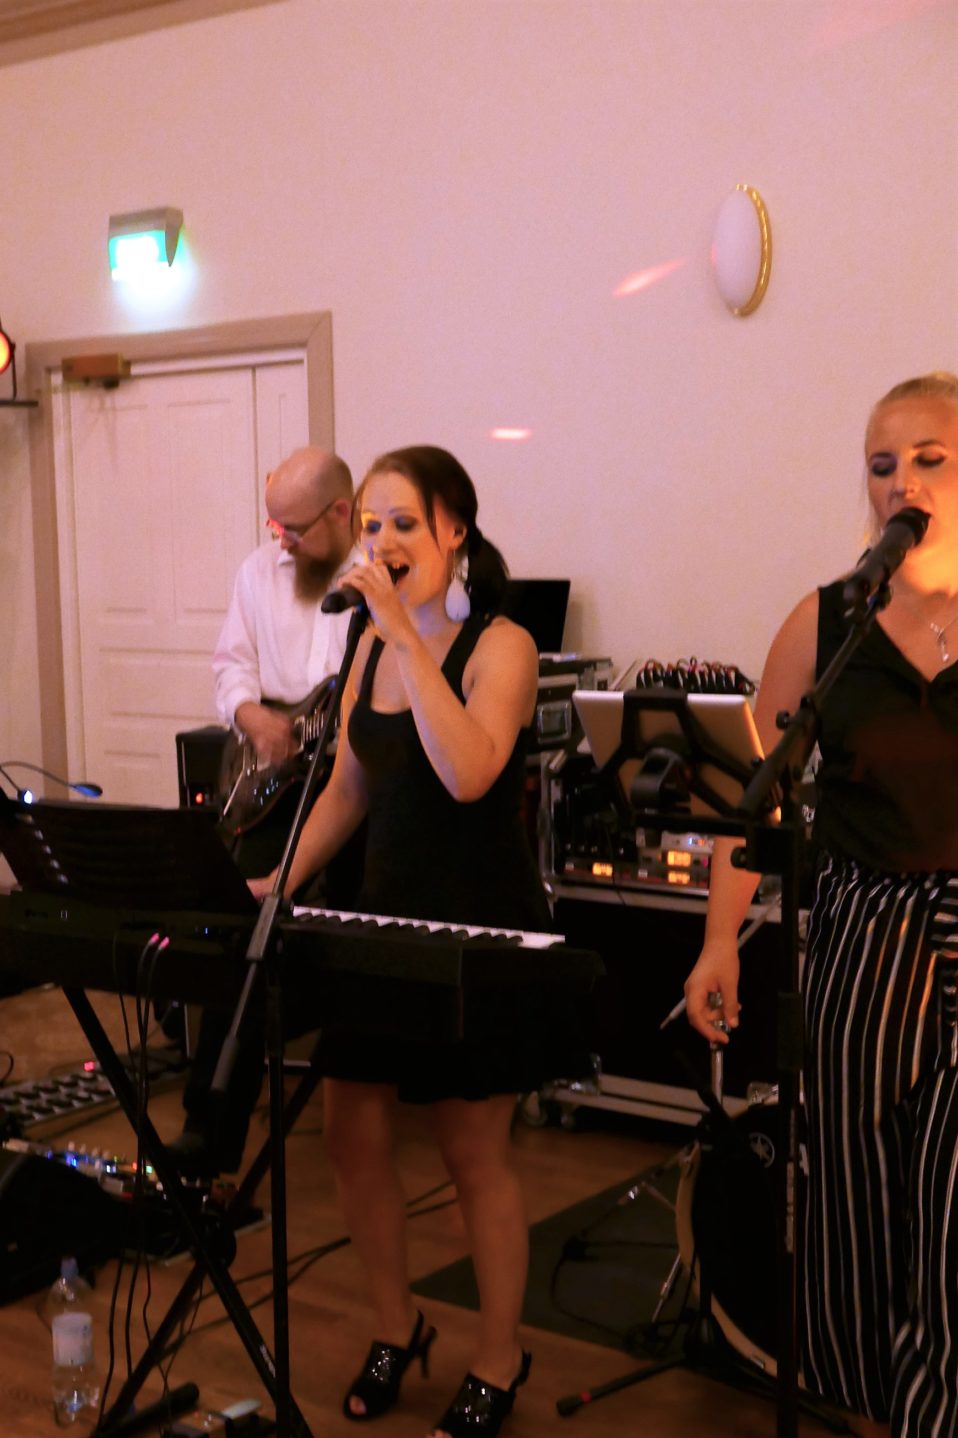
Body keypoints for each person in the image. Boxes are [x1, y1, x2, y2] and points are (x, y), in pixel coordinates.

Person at [250, 446, 567, 1438]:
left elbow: (469, 771)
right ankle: (398, 1326)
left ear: (454, 531)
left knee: (474, 1151)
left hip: (479, 927)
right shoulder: (368, 650)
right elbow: (349, 787)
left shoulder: (503, 645)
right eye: (372, 525)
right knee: (348, 1134)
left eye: (403, 524)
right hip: (383, 920)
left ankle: (498, 1357)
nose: (382, 542)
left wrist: (405, 637)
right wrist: (276, 884)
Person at [684, 372, 958, 1438]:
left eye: (929, 458)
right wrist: (719, 940)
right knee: (853, 1198)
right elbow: (752, 796)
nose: (902, 483)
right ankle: (873, 1411)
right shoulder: (827, 621)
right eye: (883, 464)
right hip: (862, 933)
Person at [170, 445, 360, 1175]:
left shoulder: (377, 579)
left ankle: (360, 1107)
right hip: (273, 779)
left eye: (296, 529)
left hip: (353, 781)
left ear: (341, 512)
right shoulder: (259, 571)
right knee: (238, 936)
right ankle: (209, 1139)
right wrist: (251, 715)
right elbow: (231, 665)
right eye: (274, 526)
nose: (282, 541)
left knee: (350, 938)